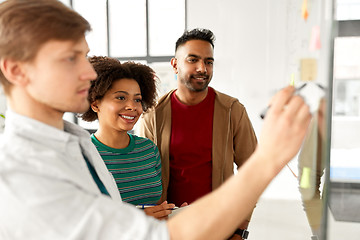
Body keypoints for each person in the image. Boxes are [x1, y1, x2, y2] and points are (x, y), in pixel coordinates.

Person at [0, 0, 311, 239]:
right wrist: (269, 158)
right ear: (15, 70)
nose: (90, 73)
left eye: (85, 55)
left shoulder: (74, 144)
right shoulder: (21, 176)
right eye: (70, 58)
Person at [138, 28, 258, 237]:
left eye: (208, 62)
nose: (202, 68)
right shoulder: (153, 115)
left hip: (221, 225)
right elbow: (145, 176)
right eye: (193, 60)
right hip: (170, 227)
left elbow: (254, 171)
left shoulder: (232, 110)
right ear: (175, 64)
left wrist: (240, 229)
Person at [81, 56, 176, 219]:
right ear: (95, 103)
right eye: (121, 97)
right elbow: (82, 220)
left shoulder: (148, 150)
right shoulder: (84, 155)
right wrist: (137, 218)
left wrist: (175, 212)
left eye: (137, 99)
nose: (132, 106)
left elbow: (158, 207)